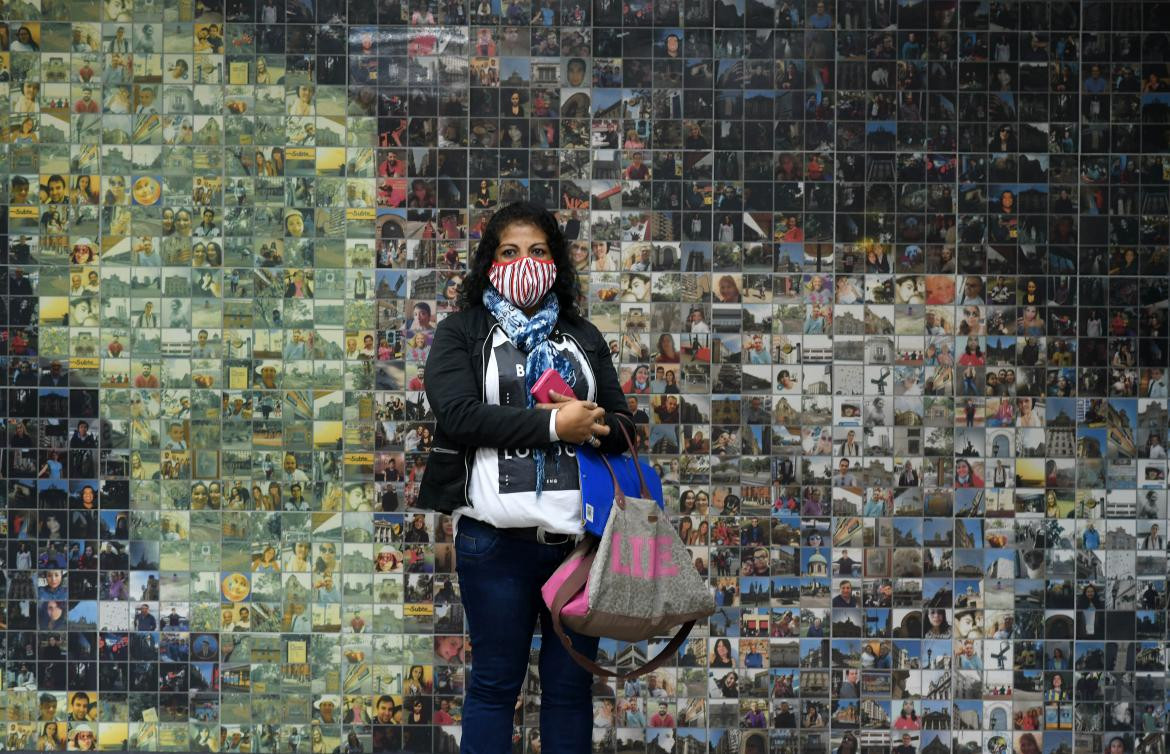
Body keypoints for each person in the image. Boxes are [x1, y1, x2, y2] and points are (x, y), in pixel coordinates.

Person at [418, 202, 635, 753]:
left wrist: (595, 423)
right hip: (495, 547)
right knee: (494, 686)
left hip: (580, 549)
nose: (525, 261)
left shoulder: (582, 335)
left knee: (570, 688)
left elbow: (626, 423)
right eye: (510, 251)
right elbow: (459, 415)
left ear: (555, 261)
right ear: (490, 263)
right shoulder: (461, 333)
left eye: (538, 251)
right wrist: (556, 423)